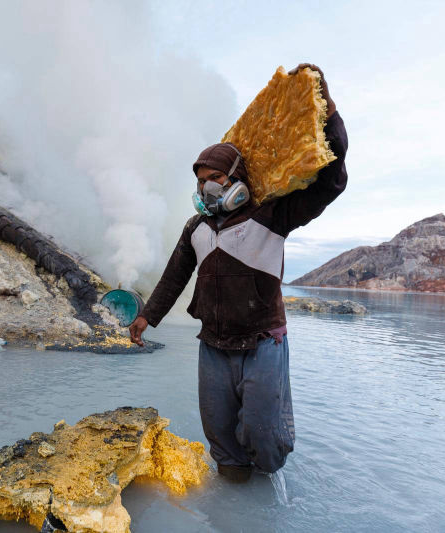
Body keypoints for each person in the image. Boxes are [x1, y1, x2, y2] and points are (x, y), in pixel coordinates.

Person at [128, 63, 348, 482]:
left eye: (215, 178)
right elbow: (174, 277)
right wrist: (146, 317)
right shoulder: (194, 228)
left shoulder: (273, 216)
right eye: (200, 182)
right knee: (223, 446)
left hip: (263, 341)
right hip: (212, 345)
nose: (206, 188)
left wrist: (328, 112)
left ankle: (268, 488)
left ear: (237, 181)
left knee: (265, 439)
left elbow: (331, 182)